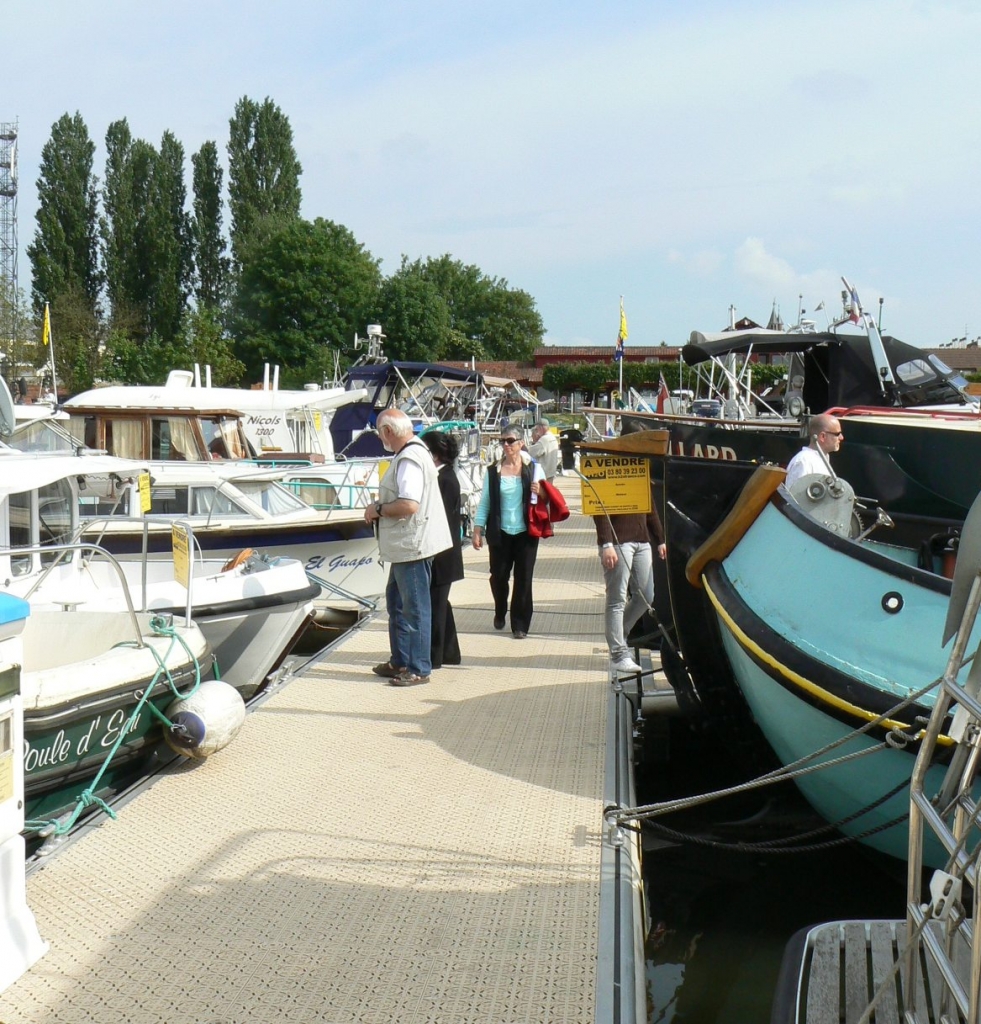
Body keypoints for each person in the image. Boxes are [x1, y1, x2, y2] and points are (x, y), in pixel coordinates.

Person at [364, 409, 452, 686]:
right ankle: (401, 660)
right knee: (397, 603)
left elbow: (409, 505)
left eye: (380, 433)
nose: (380, 438)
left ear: (389, 431)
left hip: (411, 546)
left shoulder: (409, 458)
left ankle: (418, 668)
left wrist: (377, 509)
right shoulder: (417, 451)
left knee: (414, 609)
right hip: (407, 546)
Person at [472, 432, 544, 639]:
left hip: (526, 533)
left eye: (510, 441)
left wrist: (540, 491)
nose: (506, 444)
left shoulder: (534, 468)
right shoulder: (493, 470)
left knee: (524, 579)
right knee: (498, 577)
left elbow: (548, 496)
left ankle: (520, 624)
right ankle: (500, 609)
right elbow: (485, 501)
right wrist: (478, 529)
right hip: (500, 532)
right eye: (502, 441)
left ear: (521, 443)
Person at [595, 493, 666, 674]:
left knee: (646, 595)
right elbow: (597, 505)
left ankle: (619, 635)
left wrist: (660, 538)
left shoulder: (641, 470)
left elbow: (649, 504)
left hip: (642, 540)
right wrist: (606, 543)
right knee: (616, 598)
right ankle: (618, 654)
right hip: (618, 541)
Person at [421, 430, 464, 670]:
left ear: (435, 454)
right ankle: (450, 651)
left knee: (436, 605)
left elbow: (443, 519)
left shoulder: (445, 479)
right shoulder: (443, 476)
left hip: (442, 553)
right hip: (442, 550)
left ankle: (434, 656)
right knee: (441, 603)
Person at [785, 412, 843, 488]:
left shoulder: (820, 459)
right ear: (822, 436)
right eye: (837, 434)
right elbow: (794, 497)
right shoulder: (803, 462)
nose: (841, 437)